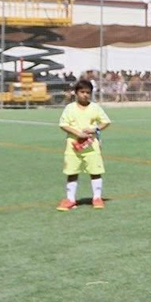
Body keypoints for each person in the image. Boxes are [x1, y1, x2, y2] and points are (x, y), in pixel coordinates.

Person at [57, 78, 111, 210]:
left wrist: (95, 129)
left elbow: (106, 122)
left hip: (91, 146)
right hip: (73, 146)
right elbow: (63, 124)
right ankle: (70, 199)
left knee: (95, 171)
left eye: (88, 92)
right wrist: (77, 133)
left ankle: (97, 198)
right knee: (72, 171)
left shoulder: (95, 108)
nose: (85, 95)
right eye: (82, 92)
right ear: (76, 93)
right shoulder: (70, 108)